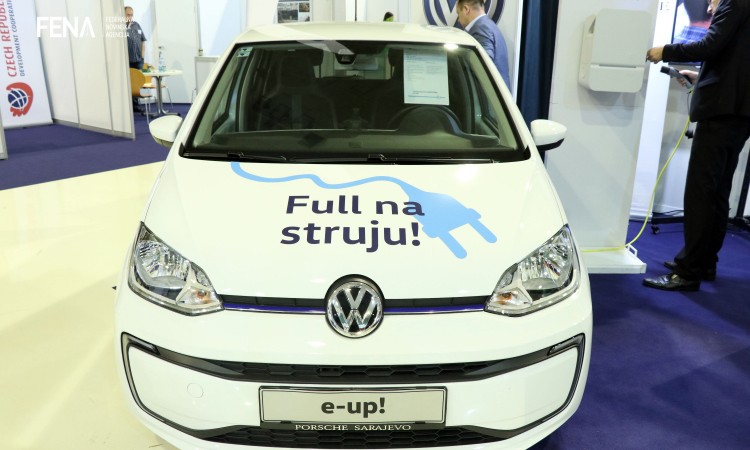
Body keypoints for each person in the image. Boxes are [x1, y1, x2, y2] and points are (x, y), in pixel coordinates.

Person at [644, 0, 750, 291]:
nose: (709, 6)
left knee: (701, 193)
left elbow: (709, 46)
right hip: (738, 112)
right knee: (717, 191)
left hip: (721, 111)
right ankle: (704, 262)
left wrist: (665, 51)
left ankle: (687, 271)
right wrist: (701, 76)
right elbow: (735, 57)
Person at [456, 0, 511, 88]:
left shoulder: (481, 28)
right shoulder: (488, 25)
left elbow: (483, 67)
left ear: (466, 9)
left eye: (458, 13)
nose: (458, 20)